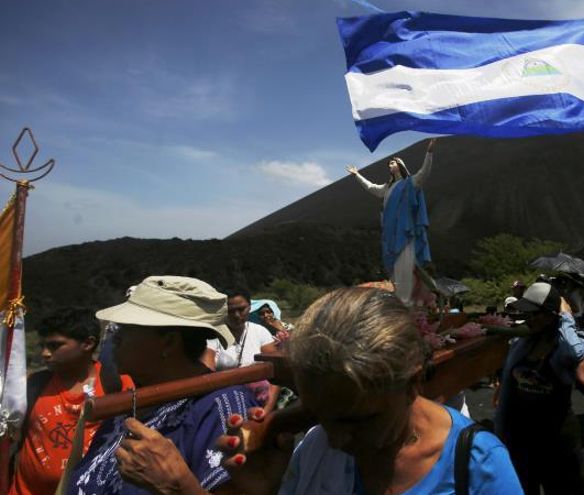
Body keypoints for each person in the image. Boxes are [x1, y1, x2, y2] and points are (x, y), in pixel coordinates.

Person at [110, 287, 523, 495]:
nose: (339, 439)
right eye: (321, 416)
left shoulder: (477, 465)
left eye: (359, 421)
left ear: (413, 381)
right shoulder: (315, 450)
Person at [65, 276, 257, 494]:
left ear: (169, 342)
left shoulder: (221, 407)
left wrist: (178, 488)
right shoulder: (131, 403)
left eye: (126, 328)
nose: (115, 338)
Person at [9, 308, 133, 495]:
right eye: (42, 345)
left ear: (87, 344)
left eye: (55, 346)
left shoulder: (118, 385)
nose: (45, 353)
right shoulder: (33, 386)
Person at [495, 281, 584, 494]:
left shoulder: (569, 341)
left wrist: (566, 316)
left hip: (557, 442)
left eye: (534, 313)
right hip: (522, 438)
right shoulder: (523, 342)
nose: (529, 318)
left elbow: (576, 352)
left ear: (550, 315)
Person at [347, 139, 436, 305]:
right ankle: (400, 297)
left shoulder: (410, 183)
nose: (390, 165)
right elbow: (372, 188)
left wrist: (429, 153)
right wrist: (357, 175)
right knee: (394, 265)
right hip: (390, 232)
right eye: (389, 164)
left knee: (406, 263)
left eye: (393, 162)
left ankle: (407, 300)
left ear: (400, 165)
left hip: (405, 230)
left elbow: (424, 173)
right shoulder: (388, 187)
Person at [207, 290, 278, 409]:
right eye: (230, 311)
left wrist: (267, 411)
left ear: (249, 307)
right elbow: (207, 372)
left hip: (261, 401)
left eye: (241, 309)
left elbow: (276, 373)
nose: (236, 315)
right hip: (227, 403)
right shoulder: (213, 336)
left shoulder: (260, 332)